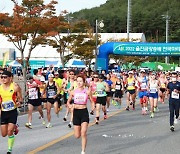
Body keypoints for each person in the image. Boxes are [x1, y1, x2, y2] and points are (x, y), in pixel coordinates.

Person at [67, 75, 93, 154]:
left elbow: (92, 101)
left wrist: (93, 108)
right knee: (77, 135)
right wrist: (70, 105)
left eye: (80, 81)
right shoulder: (73, 92)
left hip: (84, 112)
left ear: (84, 82)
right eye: (77, 81)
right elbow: (68, 102)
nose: (79, 83)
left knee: (83, 132)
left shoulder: (87, 91)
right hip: (76, 113)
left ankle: (83, 151)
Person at [0, 70, 23, 154]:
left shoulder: (15, 87)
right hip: (4, 112)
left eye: (5, 77)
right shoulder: (0, 88)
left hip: (12, 111)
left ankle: (9, 149)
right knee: (3, 134)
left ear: (10, 78)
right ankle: (15, 127)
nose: (3, 79)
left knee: (9, 132)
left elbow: (21, 99)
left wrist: (19, 102)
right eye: (2, 77)